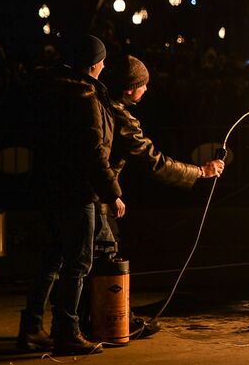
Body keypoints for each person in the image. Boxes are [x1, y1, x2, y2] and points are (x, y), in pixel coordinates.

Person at [90, 54, 225, 338]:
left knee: (84, 259)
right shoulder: (120, 117)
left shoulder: (103, 102)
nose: (147, 89)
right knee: (104, 256)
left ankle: (94, 319)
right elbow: (154, 162)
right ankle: (111, 321)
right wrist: (201, 171)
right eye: (143, 84)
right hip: (94, 196)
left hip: (95, 193)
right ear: (130, 88)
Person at [17, 35, 123, 355]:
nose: (104, 67)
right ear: (93, 65)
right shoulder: (84, 96)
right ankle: (67, 330)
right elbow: (93, 152)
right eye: (102, 62)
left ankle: (32, 327)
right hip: (75, 190)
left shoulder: (50, 90)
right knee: (78, 262)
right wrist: (112, 193)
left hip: (48, 186)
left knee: (51, 258)